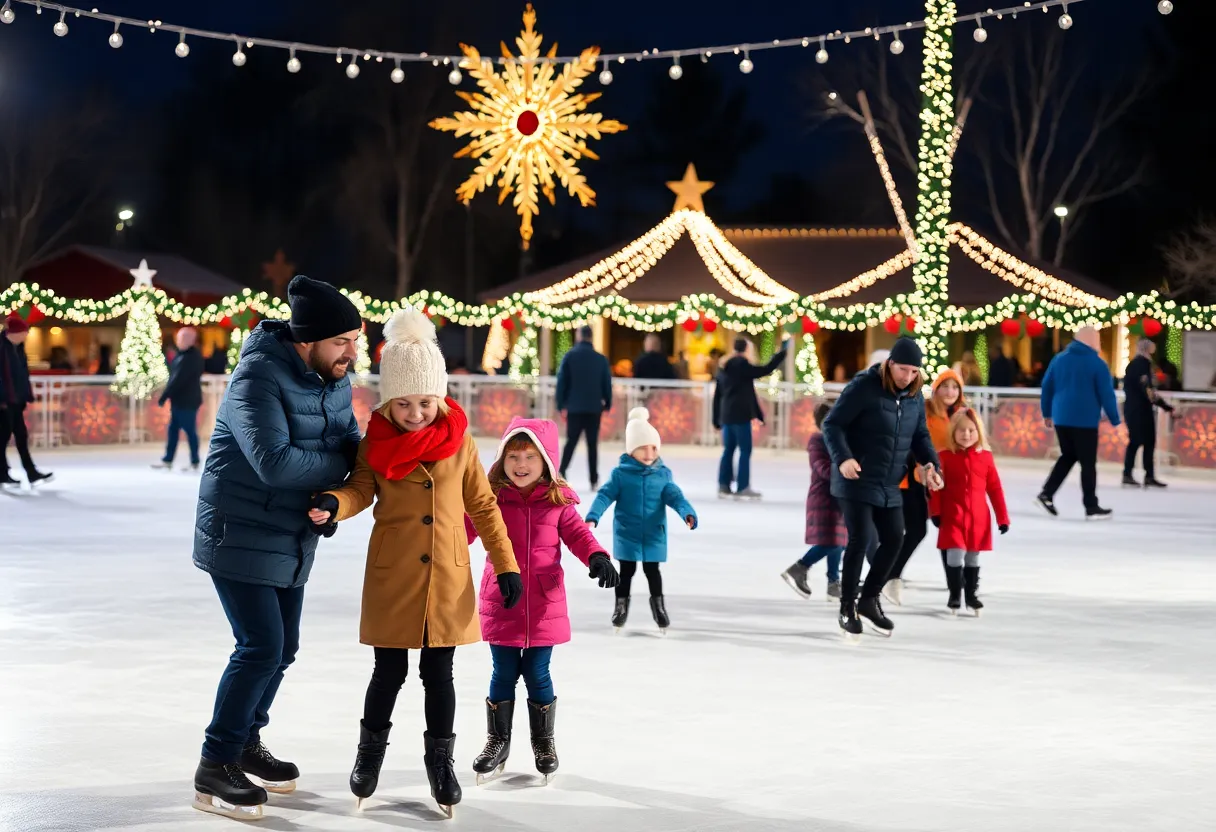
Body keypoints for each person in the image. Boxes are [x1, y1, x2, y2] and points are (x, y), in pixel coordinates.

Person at [307, 308, 520, 818]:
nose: (417, 413)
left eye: (426, 402)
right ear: (389, 402)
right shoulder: (374, 442)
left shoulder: (459, 442)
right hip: (395, 574)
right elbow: (361, 490)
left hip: (446, 575)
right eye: (404, 404)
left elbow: (484, 505)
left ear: (440, 397)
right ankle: (368, 759)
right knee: (388, 671)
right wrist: (336, 503)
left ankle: (440, 765)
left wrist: (506, 563)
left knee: (439, 672)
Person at [190, 275, 363, 821]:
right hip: (238, 530)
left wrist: (338, 496)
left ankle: (244, 741)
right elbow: (274, 461)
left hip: (289, 532)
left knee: (283, 647)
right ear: (306, 339)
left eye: (355, 341)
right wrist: (346, 468)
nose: (352, 353)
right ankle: (215, 763)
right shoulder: (257, 377)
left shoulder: (333, 379)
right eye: (342, 342)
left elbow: (350, 440)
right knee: (260, 645)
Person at [470, 417, 618, 785]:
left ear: (547, 461)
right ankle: (497, 741)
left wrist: (597, 556)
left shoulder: (557, 502)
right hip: (502, 597)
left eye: (530, 457)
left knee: (537, 672)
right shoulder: (491, 500)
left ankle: (544, 742)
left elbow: (579, 535)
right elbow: (462, 530)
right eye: (513, 456)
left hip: (544, 602)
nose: (520, 465)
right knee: (503, 672)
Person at [821, 337, 942, 640]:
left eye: (914, 371)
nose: (908, 376)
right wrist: (844, 458)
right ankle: (847, 606)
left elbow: (920, 436)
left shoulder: (914, 396)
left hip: (890, 481)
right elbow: (832, 425)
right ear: (890, 364)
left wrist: (932, 466)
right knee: (860, 540)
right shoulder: (864, 386)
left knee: (893, 539)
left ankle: (869, 600)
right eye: (903, 369)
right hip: (855, 477)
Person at [586, 407, 697, 634]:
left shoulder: (663, 474)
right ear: (631, 450)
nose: (649, 453)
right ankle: (621, 607)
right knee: (625, 572)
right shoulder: (620, 475)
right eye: (642, 448)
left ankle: (659, 608)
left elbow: (675, 496)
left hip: (654, 534)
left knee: (652, 571)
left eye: (654, 448)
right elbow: (605, 495)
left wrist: (687, 513)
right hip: (627, 533)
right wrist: (593, 517)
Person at [883, 368, 968, 604]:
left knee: (948, 530)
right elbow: (910, 441)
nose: (950, 392)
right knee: (916, 530)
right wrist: (918, 469)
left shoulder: (961, 415)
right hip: (916, 479)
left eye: (955, 387)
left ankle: (956, 581)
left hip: (946, 483)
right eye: (945, 386)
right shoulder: (923, 410)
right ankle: (890, 576)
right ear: (937, 388)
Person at [928, 408, 1010, 616]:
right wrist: (936, 512)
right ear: (953, 432)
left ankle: (971, 595)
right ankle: (955, 594)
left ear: (978, 433)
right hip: (953, 516)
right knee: (955, 556)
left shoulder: (986, 458)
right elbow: (935, 487)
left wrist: (1003, 518)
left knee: (972, 559)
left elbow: (995, 489)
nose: (966, 434)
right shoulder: (944, 456)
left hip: (978, 519)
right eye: (962, 430)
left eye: (971, 430)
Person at [1036, 326, 1121, 520]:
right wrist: (1115, 418)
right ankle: (1091, 506)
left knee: (1069, 456)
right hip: (1084, 420)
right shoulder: (1097, 364)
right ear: (1091, 340)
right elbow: (1106, 394)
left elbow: (1047, 386)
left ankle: (1047, 494)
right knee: (1088, 464)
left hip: (1062, 418)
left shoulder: (1059, 360)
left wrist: (1047, 413)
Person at [780, 402, 846, 600]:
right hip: (824, 498)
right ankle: (799, 568)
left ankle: (833, 582)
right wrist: (846, 466)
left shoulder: (842, 440)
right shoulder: (818, 441)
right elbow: (822, 468)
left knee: (840, 540)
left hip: (841, 496)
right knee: (834, 541)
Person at [712, 336, 788, 500]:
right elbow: (765, 370)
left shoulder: (723, 367)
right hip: (740, 416)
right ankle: (743, 486)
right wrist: (781, 355)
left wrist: (715, 418)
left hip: (726, 416)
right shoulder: (743, 366)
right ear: (746, 349)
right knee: (745, 450)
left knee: (728, 450)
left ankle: (723, 485)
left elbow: (718, 395)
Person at [555, 325, 612, 490]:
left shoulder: (570, 357)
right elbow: (606, 383)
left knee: (571, 441)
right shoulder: (600, 359)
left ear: (579, 336)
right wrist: (607, 402)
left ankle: (562, 471)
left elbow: (562, 382)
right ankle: (593, 479)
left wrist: (561, 404)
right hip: (594, 408)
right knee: (592, 444)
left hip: (574, 407)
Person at [0, 314, 52, 488]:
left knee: (21, 436)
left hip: (15, 400)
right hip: (4, 402)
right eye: (24, 332)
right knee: (3, 438)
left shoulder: (18, 349)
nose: (26, 335)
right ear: (13, 333)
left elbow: (22, 375)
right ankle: (4, 473)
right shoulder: (2, 348)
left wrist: (25, 396)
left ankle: (30, 473)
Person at [1122, 339, 1174, 488]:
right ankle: (1129, 474)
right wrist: (1165, 406)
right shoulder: (1141, 365)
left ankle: (1147, 475)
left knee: (1148, 441)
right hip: (1138, 410)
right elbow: (1147, 390)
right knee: (1136, 440)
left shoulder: (1138, 364)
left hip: (1139, 409)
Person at [154, 327, 205, 472]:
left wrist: (164, 396)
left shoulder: (191, 357)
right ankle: (168, 459)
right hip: (179, 400)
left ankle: (194, 461)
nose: (178, 341)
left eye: (181, 338)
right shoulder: (181, 355)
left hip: (187, 401)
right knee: (173, 430)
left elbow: (178, 379)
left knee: (189, 430)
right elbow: (174, 377)